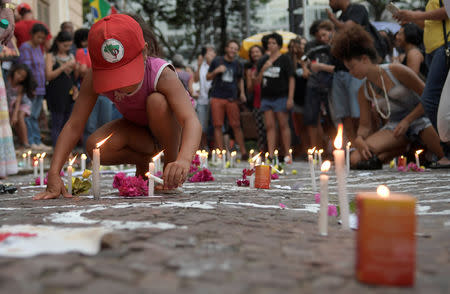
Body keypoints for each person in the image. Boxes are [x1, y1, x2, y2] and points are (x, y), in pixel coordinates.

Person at [33, 14, 201, 200]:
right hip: (139, 133)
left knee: (157, 103)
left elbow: (191, 120)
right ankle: (145, 161)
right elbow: (74, 124)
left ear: (144, 53)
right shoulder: (93, 77)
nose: (119, 85)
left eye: (125, 74)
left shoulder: (162, 74)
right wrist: (54, 173)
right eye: (111, 76)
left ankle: (170, 168)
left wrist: (183, 160)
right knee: (95, 147)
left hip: (171, 131)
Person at [331, 26, 450, 169]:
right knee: (356, 158)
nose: (351, 73)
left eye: (352, 67)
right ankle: (401, 149)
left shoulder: (396, 70)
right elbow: (364, 125)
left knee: (446, 154)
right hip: (396, 128)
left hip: (422, 119)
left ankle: (403, 150)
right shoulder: (363, 90)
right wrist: (359, 139)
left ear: (364, 59)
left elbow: (429, 98)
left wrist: (408, 120)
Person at [327, 0, 385, 143]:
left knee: (359, 112)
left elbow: (348, 27)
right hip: (340, 71)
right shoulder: (342, 15)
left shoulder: (357, 9)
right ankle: (353, 146)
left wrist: (332, 19)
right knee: (345, 114)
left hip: (356, 71)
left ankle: (370, 144)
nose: (329, 3)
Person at [394, 0, 450, 131]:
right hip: (434, 51)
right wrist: (410, 18)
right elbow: (430, 24)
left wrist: (415, 15)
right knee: (439, 102)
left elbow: (448, 10)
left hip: (444, 48)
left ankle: (446, 145)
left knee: (430, 101)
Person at [256, 32, 295, 162]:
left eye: (273, 43)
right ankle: (271, 155)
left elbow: (291, 78)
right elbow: (257, 81)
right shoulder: (263, 60)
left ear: (278, 45)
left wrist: (290, 98)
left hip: (281, 96)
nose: (270, 45)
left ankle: (288, 153)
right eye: (269, 43)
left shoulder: (285, 59)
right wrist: (263, 69)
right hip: (266, 97)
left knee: (283, 125)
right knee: (269, 126)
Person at [206, 40, 248, 159]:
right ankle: (221, 153)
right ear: (226, 48)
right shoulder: (217, 61)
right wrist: (216, 71)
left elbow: (240, 79)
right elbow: (207, 77)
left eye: (235, 48)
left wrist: (242, 93)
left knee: (236, 124)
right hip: (217, 96)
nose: (233, 50)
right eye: (231, 48)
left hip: (231, 98)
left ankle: (244, 152)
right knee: (217, 125)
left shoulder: (238, 64)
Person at [18, 23, 51, 151]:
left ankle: (37, 140)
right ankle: (31, 140)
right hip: (30, 87)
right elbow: (26, 69)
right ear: (32, 35)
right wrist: (30, 86)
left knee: (36, 115)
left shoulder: (39, 48)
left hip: (41, 87)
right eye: (39, 37)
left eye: (43, 38)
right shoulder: (25, 47)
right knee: (29, 115)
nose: (41, 40)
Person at [304, 20, 335, 149]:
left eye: (323, 34)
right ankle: (316, 149)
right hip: (313, 84)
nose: (321, 38)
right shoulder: (311, 45)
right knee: (311, 118)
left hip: (331, 85)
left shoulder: (335, 46)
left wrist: (320, 66)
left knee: (333, 118)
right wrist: (305, 68)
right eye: (318, 35)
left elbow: (338, 68)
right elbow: (304, 60)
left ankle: (334, 147)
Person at [45, 31, 78, 146]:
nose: (67, 48)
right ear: (58, 43)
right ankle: (57, 149)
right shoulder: (51, 56)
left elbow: (74, 76)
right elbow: (49, 76)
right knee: (57, 123)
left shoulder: (71, 56)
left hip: (68, 93)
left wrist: (75, 89)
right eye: (65, 45)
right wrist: (64, 66)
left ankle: (66, 150)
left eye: (69, 46)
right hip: (56, 92)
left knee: (67, 123)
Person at [288, 37, 310, 157]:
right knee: (299, 126)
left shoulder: (307, 58)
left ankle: (312, 149)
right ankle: (304, 149)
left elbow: (307, 75)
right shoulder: (290, 61)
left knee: (310, 124)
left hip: (308, 95)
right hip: (296, 97)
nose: (296, 48)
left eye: (300, 45)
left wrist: (304, 65)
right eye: (294, 45)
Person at [6, 63, 36, 150]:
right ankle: (21, 141)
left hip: (23, 104)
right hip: (11, 104)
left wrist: (15, 115)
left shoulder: (21, 87)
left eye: (22, 76)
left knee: (19, 117)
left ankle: (26, 143)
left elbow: (19, 101)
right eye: (18, 73)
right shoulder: (7, 80)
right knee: (15, 125)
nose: (19, 77)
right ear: (14, 71)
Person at [245, 44, 267, 152]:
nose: (255, 54)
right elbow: (249, 89)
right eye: (252, 52)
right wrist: (253, 79)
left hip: (269, 99)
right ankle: (263, 152)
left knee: (270, 128)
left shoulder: (267, 65)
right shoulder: (250, 70)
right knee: (260, 129)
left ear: (262, 53)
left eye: (257, 51)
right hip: (257, 102)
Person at [194, 44, 215, 150]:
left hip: (214, 99)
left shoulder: (216, 64)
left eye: (211, 51)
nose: (209, 54)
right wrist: (198, 65)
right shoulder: (201, 66)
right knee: (202, 127)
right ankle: (204, 148)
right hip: (202, 100)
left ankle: (216, 149)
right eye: (207, 52)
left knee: (216, 125)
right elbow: (195, 80)